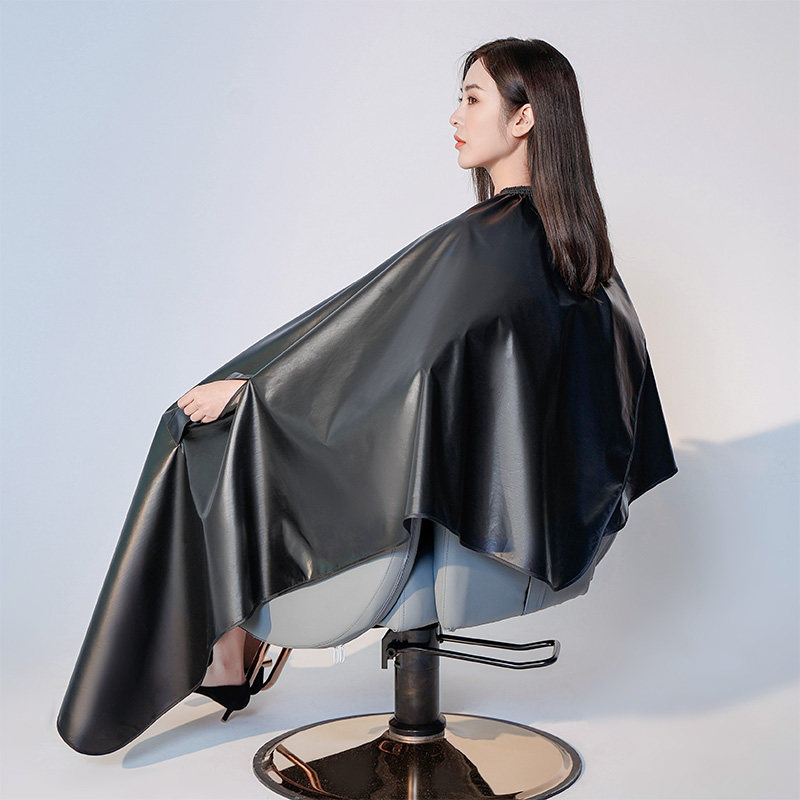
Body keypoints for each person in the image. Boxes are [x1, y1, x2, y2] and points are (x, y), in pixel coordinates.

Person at [57, 37, 678, 756]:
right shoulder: (580, 250)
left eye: (472, 99)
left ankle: (221, 653)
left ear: (523, 118)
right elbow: (386, 350)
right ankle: (229, 646)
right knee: (249, 423)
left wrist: (260, 393)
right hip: (524, 523)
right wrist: (270, 386)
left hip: (447, 524)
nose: (455, 117)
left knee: (191, 435)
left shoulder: (489, 243)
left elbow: (367, 357)